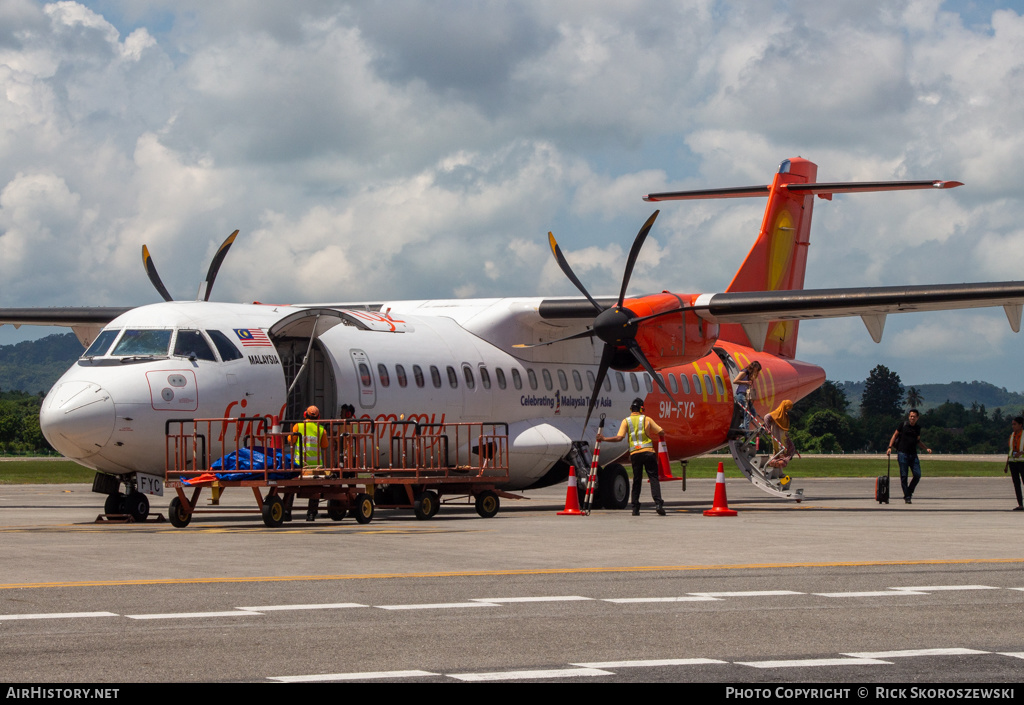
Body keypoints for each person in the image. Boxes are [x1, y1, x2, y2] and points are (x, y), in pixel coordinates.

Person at [597, 397, 667, 516]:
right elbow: (661, 432)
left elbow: (619, 438)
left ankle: (635, 507)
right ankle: (658, 503)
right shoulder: (647, 419)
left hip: (635, 454)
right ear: (642, 408)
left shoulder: (626, 421)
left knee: (637, 480)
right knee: (654, 478)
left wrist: (603, 439)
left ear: (631, 409)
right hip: (649, 452)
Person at [289, 405, 330, 520]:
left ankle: (287, 512)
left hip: (298, 464)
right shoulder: (321, 429)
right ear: (319, 417)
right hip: (315, 466)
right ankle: (311, 514)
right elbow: (325, 445)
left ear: (304, 414)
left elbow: (290, 440)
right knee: (315, 489)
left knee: (290, 488)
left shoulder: (298, 426)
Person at [886, 408, 932, 504]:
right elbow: (894, 435)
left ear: (917, 418)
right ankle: (907, 497)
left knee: (917, 475)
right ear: (909, 417)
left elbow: (918, 441)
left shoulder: (917, 428)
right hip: (902, 453)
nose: (912, 418)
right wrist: (890, 447)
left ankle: (909, 492)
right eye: (911, 416)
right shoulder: (903, 425)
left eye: (914, 417)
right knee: (904, 476)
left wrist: (926, 448)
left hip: (913, 454)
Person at [763, 400, 796, 471]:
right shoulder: (776, 413)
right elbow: (766, 417)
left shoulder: (784, 415)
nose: (788, 410)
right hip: (777, 438)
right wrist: (768, 429)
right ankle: (775, 468)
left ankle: (778, 471)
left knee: (791, 448)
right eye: (787, 408)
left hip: (784, 437)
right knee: (779, 454)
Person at [732, 361, 761, 432]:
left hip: (745, 395)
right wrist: (746, 382)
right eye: (757, 369)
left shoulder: (750, 375)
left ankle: (742, 426)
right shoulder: (745, 372)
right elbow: (735, 381)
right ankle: (745, 430)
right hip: (740, 394)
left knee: (753, 413)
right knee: (747, 413)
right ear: (754, 367)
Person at [1005, 416, 1024, 511]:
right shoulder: (1012, 435)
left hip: (1022, 462)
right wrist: (1007, 464)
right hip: (1013, 463)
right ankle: (1020, 504)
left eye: (1015, 424)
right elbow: (1010, 450)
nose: (1013, 426)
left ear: (1020, 425)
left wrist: (1022, 453)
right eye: (1012, 424)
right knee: (1016, 484)